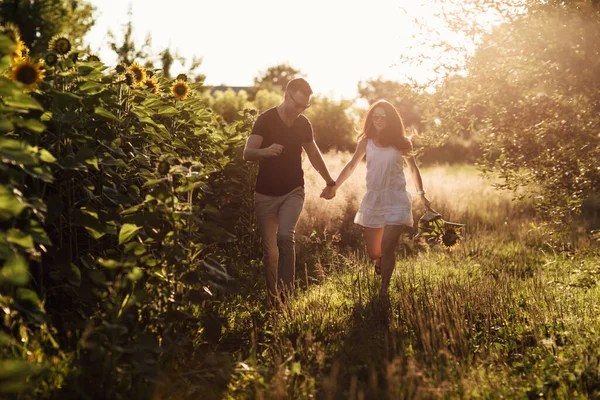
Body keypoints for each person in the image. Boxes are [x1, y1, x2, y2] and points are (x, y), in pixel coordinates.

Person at [321, 99, 431, 296]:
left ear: (391, 119)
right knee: (375, 252)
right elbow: (352, 165)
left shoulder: (402, 143)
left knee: (388, 246)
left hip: (396, 198)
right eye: (375, 116)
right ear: (371, 119)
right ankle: (379, 261)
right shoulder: (366, 142)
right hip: (374, 198)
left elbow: (413, 169)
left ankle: (383, 290)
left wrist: (422, 194)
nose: (379, 120)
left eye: (383, 116)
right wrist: (334, 186)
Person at [243, 78, 336, 304]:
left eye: (306, 106)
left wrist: (329, 181)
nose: (301, 110)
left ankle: (286, 296)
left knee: (285, 236)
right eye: (298, 105)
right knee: (271, 253)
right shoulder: (264, 120)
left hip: (293, 190)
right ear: (286, 96)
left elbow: (313, 154)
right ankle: (273, 299)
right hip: (265, 194)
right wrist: (266, 151)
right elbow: (247, 153)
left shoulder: (303, 124)